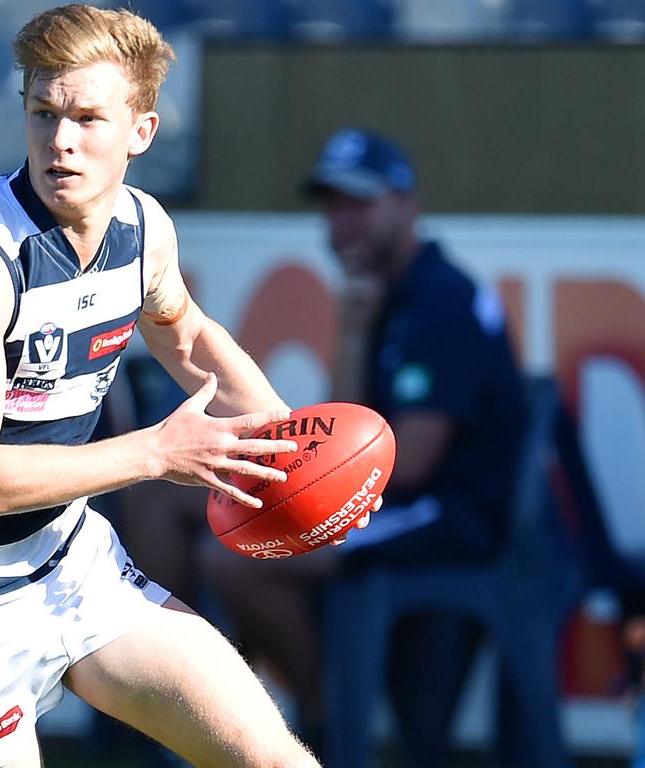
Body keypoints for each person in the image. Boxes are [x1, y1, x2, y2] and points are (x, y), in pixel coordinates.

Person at [0, 6, 355, 767]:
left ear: (142, 133)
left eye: (89, 118)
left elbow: (186, 335)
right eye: (44, 112)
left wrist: (302, 455)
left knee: (276, 761)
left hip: (71, 566)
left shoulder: (142, 227)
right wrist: (156, 453)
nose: (61, 141)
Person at [204, 127, 528, 766]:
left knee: (235, 556)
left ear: (405, 204)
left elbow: (410, 461)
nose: (340, 222)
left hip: (446, 513)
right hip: (393, 497)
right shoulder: (379, 295)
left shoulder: (443, 298)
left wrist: (302, 488)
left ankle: (328, 727)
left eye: (357, 203)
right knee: (198, 510)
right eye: (330, 206)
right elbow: (349, 425)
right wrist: (352, 332)